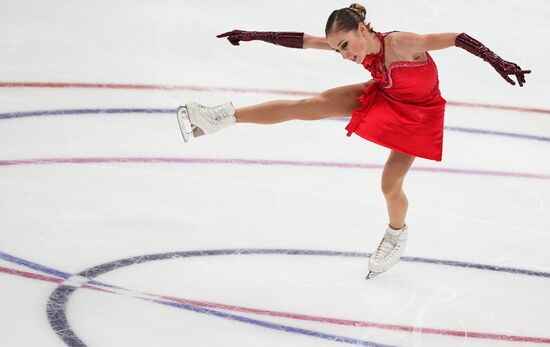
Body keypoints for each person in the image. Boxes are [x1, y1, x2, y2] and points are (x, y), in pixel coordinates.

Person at [176, 4, 530, 279]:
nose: (344, 55)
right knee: (309, 106)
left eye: (345, 46)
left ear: (362, 29)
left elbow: (456, 37)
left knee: (390, 185)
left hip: (419, 116)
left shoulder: (401, 43)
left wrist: (497, 61)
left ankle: (396, 235)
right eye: (338, 50)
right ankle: (219, 118)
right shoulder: (359, 48)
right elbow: (304, 41)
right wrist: (254, 34)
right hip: (384, 95)